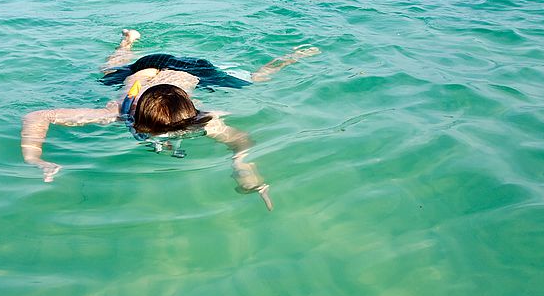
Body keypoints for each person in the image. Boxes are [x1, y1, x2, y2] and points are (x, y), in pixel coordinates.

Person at [21, 30, 320, 210]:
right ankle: (128, 41)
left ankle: (289, 57)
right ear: (136, 119)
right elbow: (38, 115)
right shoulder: (118, 113)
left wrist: (242, 164)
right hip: (144, 68)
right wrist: (36, 158)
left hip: (191, 71)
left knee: (254, 81)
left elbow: (239, 139)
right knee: (110, 70)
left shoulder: (198, 119)